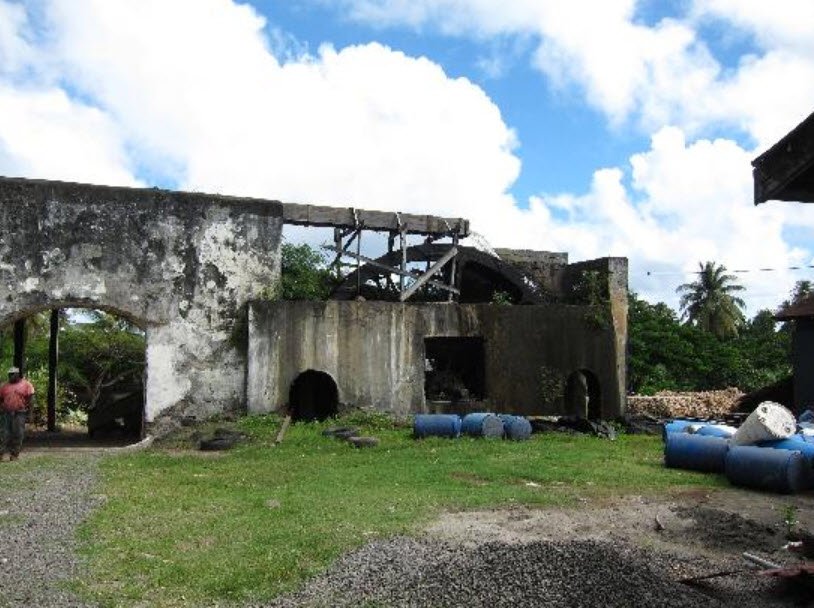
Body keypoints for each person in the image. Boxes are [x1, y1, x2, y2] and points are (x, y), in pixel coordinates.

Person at [0, 367, 35, 461]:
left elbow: (31, 400)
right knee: (4, 434)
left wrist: (30, 414)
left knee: (18, 434)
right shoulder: (4, 386)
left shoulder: (26, 385)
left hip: (19, 413)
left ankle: (14, 454)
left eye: (12, 374)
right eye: (9, 374)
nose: (10, 376)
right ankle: (1, 453)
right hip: (6, 413)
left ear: (17, 375)